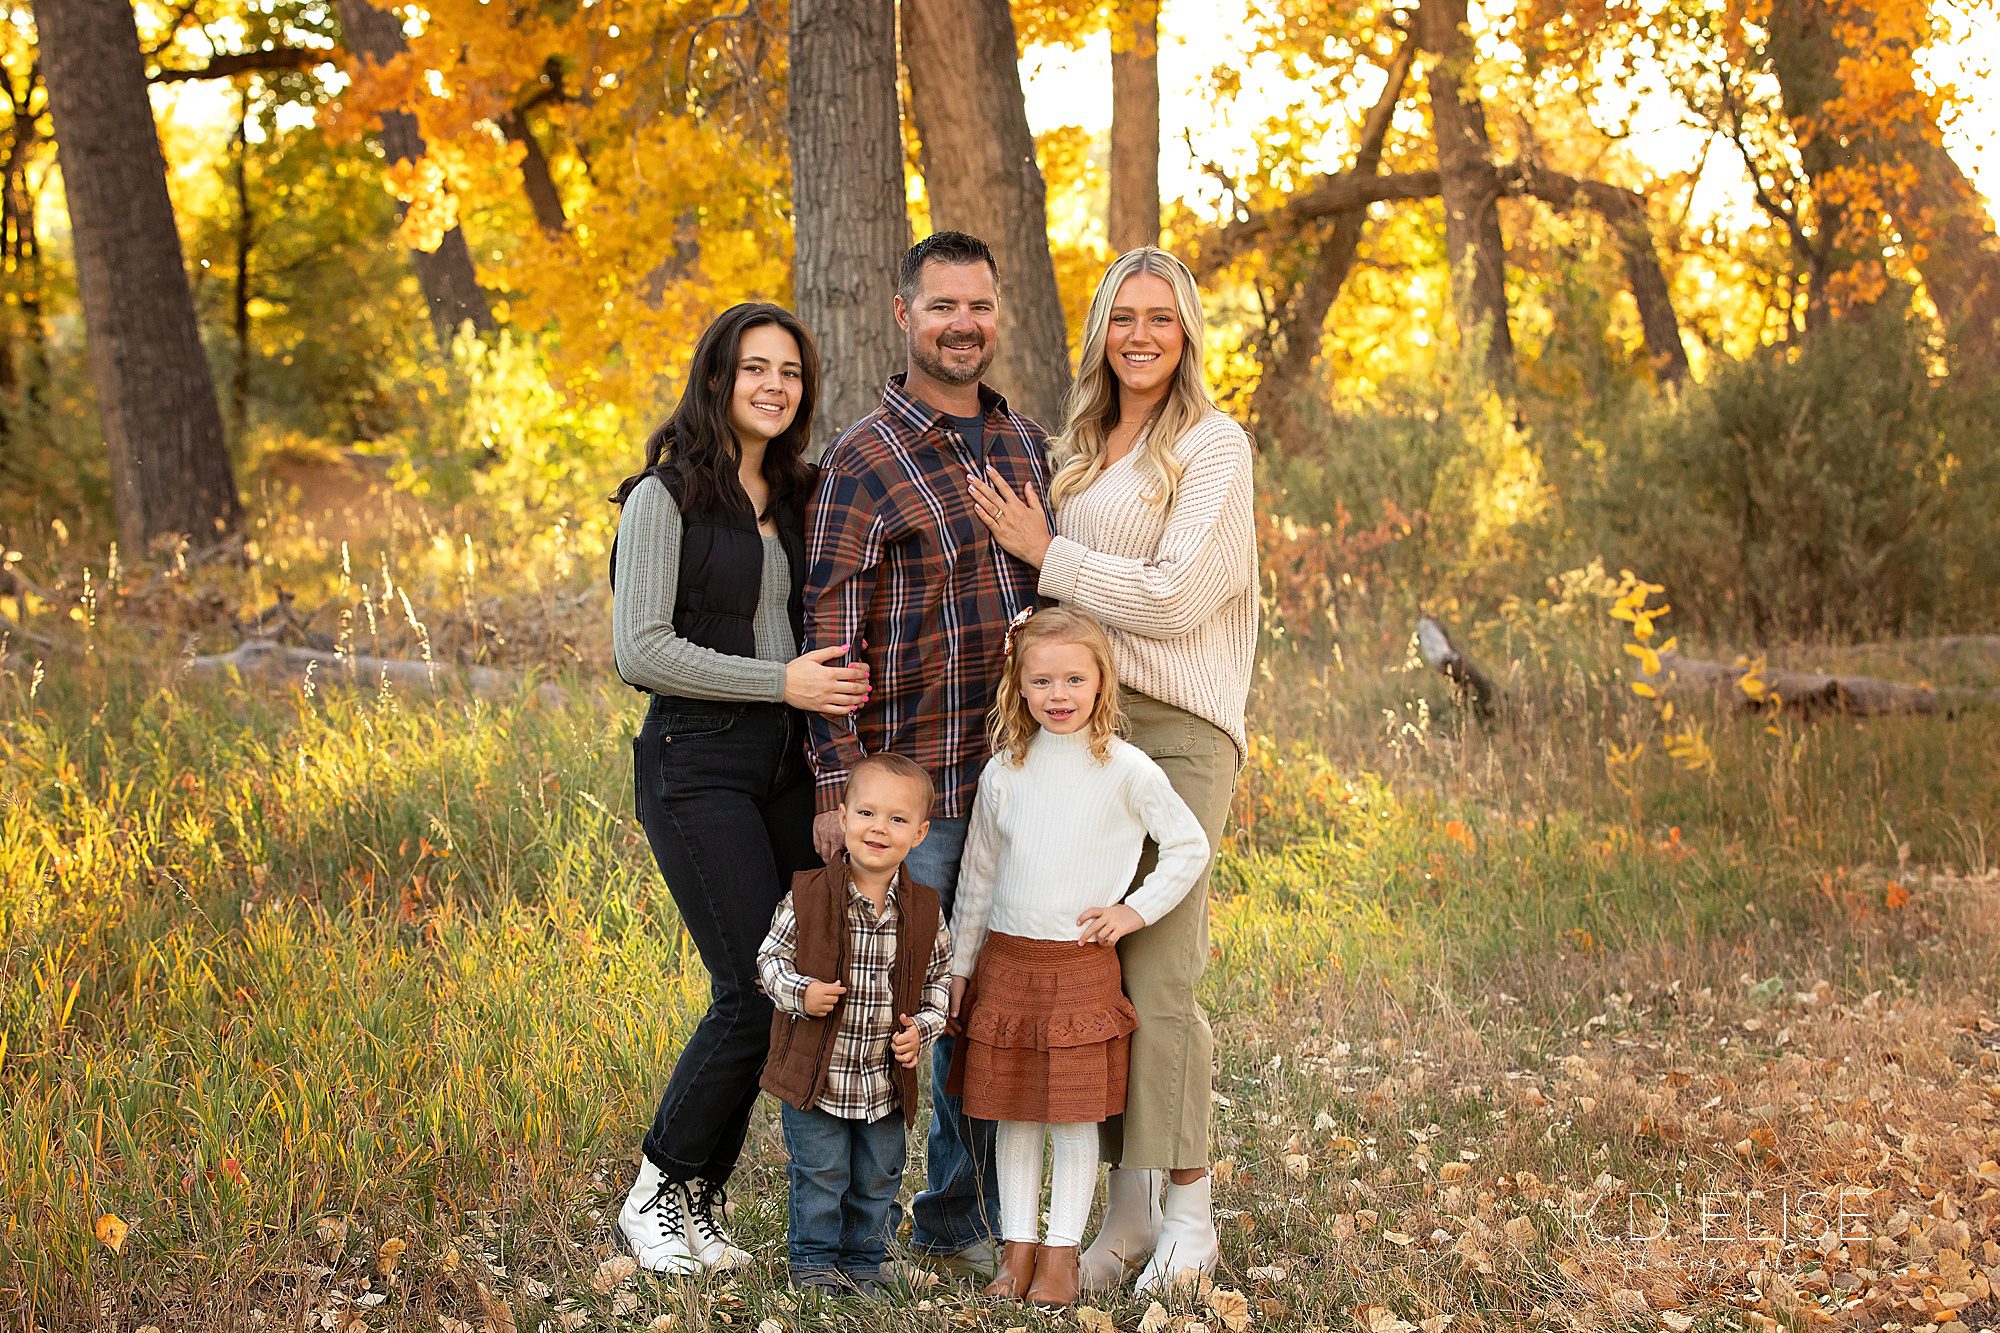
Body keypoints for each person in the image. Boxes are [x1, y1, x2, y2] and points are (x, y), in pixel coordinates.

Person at [965, 247, 1258, 1293]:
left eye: (1160, 317)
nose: (1141, 335)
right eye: (1122, 317)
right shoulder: (1082, 446)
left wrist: (1048, 554)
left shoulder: (1213, 445)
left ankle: (1191, 1216)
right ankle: (1128, 1215)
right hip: (1081, 732)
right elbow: (1065, 608)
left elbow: (1174, 598)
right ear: (1100, 333)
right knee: (1096, 968)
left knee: (1160, 967)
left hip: (1176, 726)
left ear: (1186, 333)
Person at [803, 231, 1053, 1270]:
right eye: (943, 305)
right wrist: (836, 784)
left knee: (989, 1008)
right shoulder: (862, 458)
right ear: (903, 314)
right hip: (919, 795)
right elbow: (830, 630)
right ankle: (837, 1233)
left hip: (1022, 785)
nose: (963, 325)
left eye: (979, 305)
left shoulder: (1027, 445)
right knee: (896, 1010)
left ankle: (958, 1218)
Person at [610, 302, 872, 1274]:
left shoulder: (804, 495)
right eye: (755, 367)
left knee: (795, 986)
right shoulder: (664, 497)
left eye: (790, 372)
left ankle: (696, 1200)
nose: (774, 385)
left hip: (786, 767)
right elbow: (640, 650)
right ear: (716, 378)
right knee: (753, 988)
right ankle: (653, 1189)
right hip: (697, 760)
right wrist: (780, 683)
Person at [945, 606, 1208, 1308]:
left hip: (1080, 968)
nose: (1057, 694)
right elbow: (977, 879)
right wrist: (961, 968)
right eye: (1041, 681)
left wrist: (1133, 911)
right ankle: (1017, 1252)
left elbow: (1188, 846)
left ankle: (1060, 1256)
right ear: (1018, 687)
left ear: (1100, 683)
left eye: (1073, 679)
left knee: (1072, 1115)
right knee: (1014, 1115)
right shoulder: (1005, 771)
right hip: (1008, 964)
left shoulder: (1125, 768)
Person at [755, 753, 953, 1293]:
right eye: (866, 813)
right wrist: (802, 992)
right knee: (821, 1172)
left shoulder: (924, 909)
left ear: (920, 833)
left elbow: (938, 980)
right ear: (842, 819)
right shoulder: (808, 895)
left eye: (897, 819)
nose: (878, 828)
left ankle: (865, 1261)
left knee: (878, 1175)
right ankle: (815, 1262)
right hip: (818, 1076)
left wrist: (921, 1031)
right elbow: (770, 960)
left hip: (883, 1081)